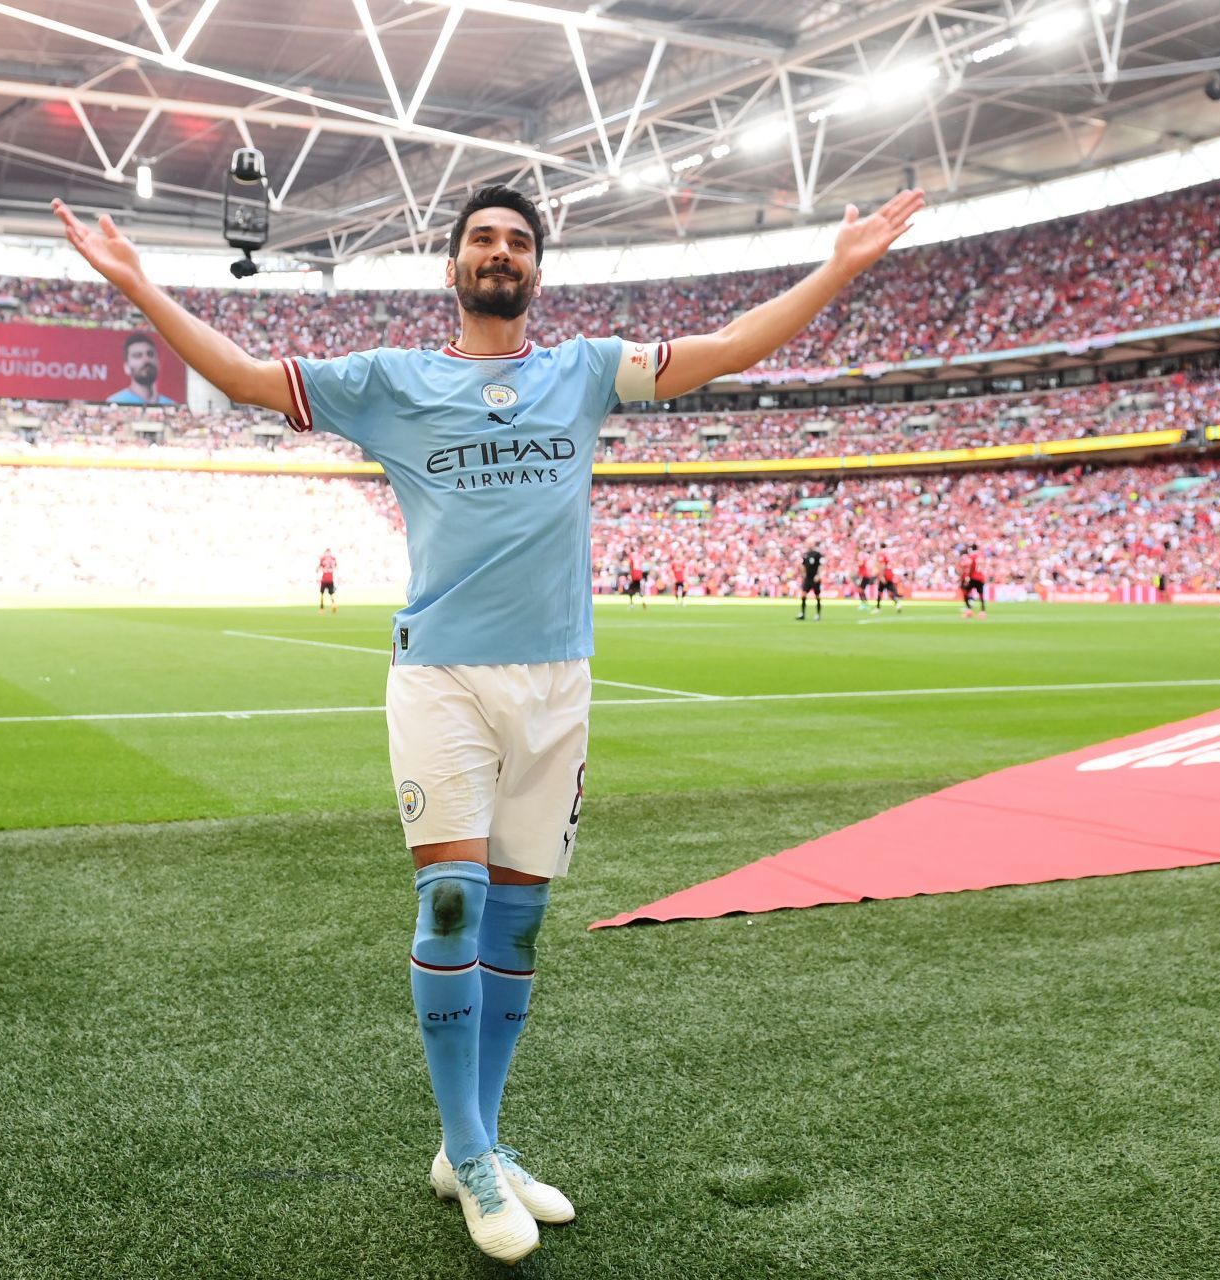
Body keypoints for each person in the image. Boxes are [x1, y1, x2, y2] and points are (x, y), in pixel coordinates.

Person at [53, 179, 923, 1264]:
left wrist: (841, 265)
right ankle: (469, 1154)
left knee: (518, 922)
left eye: (517, 240)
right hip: (444, 682)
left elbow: (732, 346)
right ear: (452, 267)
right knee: (454, 904)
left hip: (559, 681)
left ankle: (478, 1136)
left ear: (536, 271)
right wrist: (138, 285)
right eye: (482, 239)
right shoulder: (391, 383)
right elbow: (236, 375)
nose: (499, 252)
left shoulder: (585, 369)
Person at [105, 333, 176, 405]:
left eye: (150, 354)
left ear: (158, 362)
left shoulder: (170, 404)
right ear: (126, 367)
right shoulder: (115, 402)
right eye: (138, 356)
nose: (146, 360)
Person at [960, 543, 988, 617]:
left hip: (973, 577)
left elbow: (971, 566)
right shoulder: (982, 556)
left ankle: (969, 609)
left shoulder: (971, 556)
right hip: (981, 577)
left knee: (965, 591)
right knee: (981, 594)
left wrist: (968, 577)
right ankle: (983, 611)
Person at [797, 545, 823, 620]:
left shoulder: (817, 554)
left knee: (817, 596)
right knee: (804, 595)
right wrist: (803, 574)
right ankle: (802, 613)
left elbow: (821, 566)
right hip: (808, 578)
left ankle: (818, 614)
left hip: (815, 578)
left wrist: (818, 575)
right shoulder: (805, 555)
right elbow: (802, 565)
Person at [875, 547, 903, 614]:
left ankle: (878, 608)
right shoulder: (889, 555)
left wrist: (881, 576)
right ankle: (897, 603)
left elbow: (882, 565)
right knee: (890, 593)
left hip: (885, 575)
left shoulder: (882, 555)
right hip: (890, 574)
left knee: (880, 592)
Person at [318, 548, 338, 613]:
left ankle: (322, 608)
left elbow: (319, 566)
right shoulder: (333, 558)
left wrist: (317, 569)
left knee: (322, 594)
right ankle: (333, 604)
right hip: (331, 579)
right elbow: (336, 566)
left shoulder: (323, 558)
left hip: (324, 579)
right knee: (331, 593)